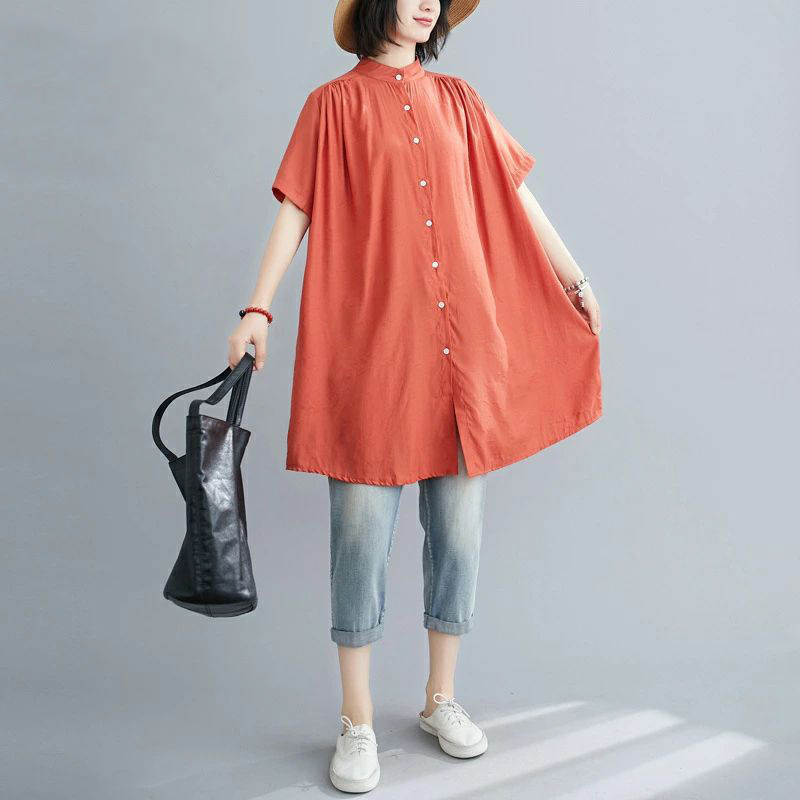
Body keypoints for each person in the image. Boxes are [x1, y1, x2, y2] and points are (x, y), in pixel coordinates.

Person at [228, 0, 602, 792]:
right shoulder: (332, 107)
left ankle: (441, 699)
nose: (427, 0)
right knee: (360, 537)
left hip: (464, 354)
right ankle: (356, 721)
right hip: (374, 354)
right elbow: (297, 208)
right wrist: (257, 309)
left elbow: (517, 193)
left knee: (458, 535)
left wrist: (573, 277)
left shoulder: (461, 100)